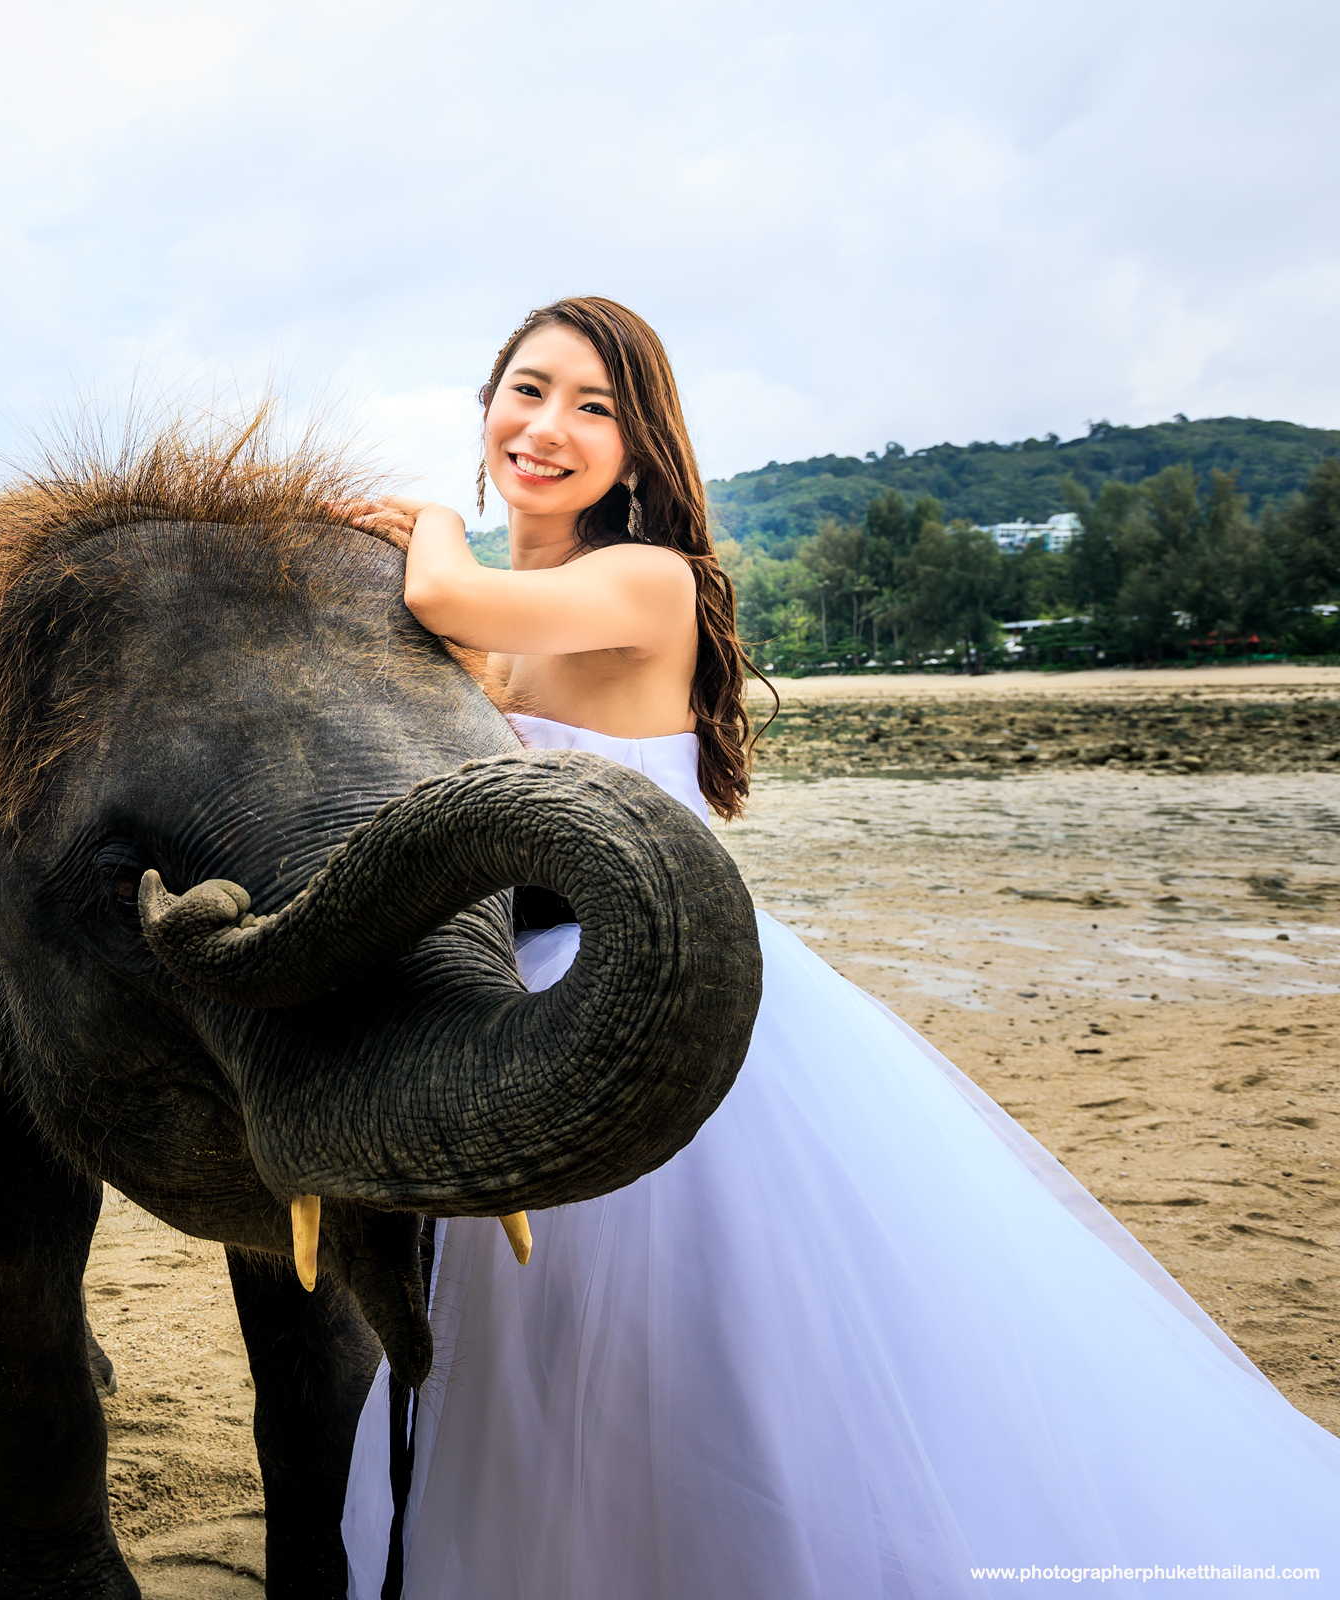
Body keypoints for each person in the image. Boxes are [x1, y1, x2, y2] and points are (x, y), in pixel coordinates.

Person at [331, 297, 1340, 1598]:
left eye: (594, 406)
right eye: (526, 391)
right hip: (528, 999)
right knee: (540, 1348)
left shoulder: (645, 582)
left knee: (694, 1350)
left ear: (642, 453)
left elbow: (435, 587)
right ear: (488, 407)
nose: (548, 425)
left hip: (648, 995)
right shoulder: (521, 611)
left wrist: (418, 515)